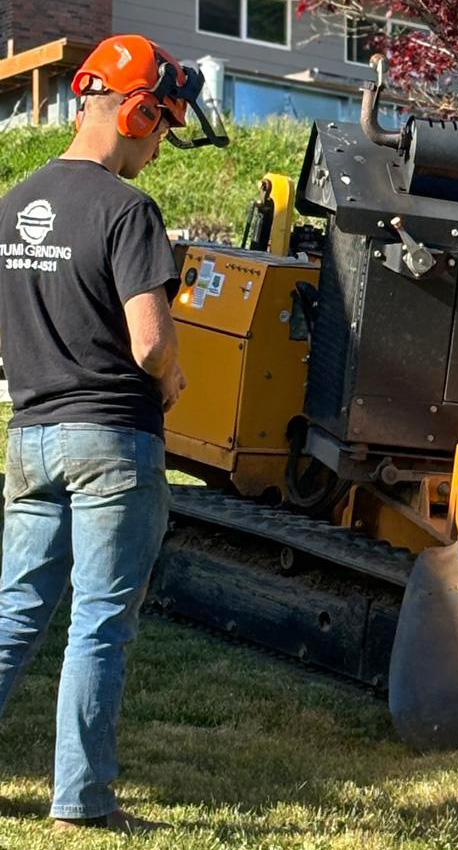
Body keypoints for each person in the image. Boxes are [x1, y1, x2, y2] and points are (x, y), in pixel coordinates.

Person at [0, 34, 223, 834]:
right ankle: (83, 802)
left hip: (29, 438)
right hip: (110, 445)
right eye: (161, 127)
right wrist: (172, 378)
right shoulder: (128, 210)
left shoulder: (12, 202)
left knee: (14, 616)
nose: (160, 147)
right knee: (99, 623)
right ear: (134, 111)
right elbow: (151, 342)